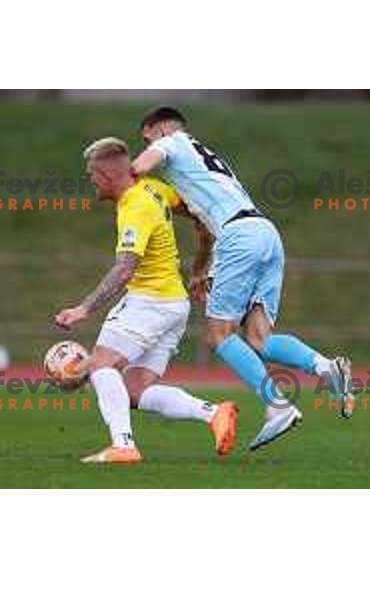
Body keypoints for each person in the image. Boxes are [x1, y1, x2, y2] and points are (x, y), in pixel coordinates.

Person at [131, 106, 353, 451]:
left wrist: (128, 179)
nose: (145, 145)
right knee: (259, 339)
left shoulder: (172, 142)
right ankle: (326, 367)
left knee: (219, 335)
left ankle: (278, 405)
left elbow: (137, 169)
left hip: (238, 237)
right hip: (264, 232)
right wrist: (201, 271)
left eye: (145, 137)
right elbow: (204, 229)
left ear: (157, 128)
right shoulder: (202, 165)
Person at [54, 137, 238, 464]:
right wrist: (200, 267)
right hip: (174, 306)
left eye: (91, 175)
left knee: (101, 365)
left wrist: (83, 309)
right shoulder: (154, 189)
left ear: (108, 176)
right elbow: (200, 214)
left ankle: (123, 445)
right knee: (134, 391)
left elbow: (125, 268)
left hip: (148, 302)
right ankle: (213, 413)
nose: (90, 181)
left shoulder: (135, 207)